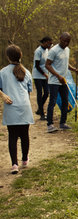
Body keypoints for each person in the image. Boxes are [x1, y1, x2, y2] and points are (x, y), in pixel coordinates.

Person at [0, 44, 34, 174]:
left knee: (12, 136)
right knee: (25, 135)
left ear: (8, 57)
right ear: (21, 56)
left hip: (11, 106)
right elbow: (29, 91)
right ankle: (25, 160)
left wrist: (3, 95)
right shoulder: (27, 72)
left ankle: (14, 164)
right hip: (25, 106)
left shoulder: (2, 72)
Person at [45, 32, 78, 133]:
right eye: (64, 41)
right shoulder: (53, 50)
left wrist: (74, 69)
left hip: (64, 80)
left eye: (68, 41)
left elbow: (65, 63)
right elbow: (47, 65)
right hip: (54, 81)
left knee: (65, 101)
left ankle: (63, 123)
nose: (66, 43)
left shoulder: (67, 50)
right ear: (60, 39)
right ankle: (49, 125)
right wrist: (57, 75)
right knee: (52, 102)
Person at [32, 36, 52, 120]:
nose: (50, 45)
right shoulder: (38, 51)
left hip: (45, 75)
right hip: (38, 75)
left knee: (47, 92)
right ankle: (42, 115)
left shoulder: (47, 50)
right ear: (44, 42)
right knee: (39, 93)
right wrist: (44, 74)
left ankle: (39, 109)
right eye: (49, 43)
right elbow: (37, 65)